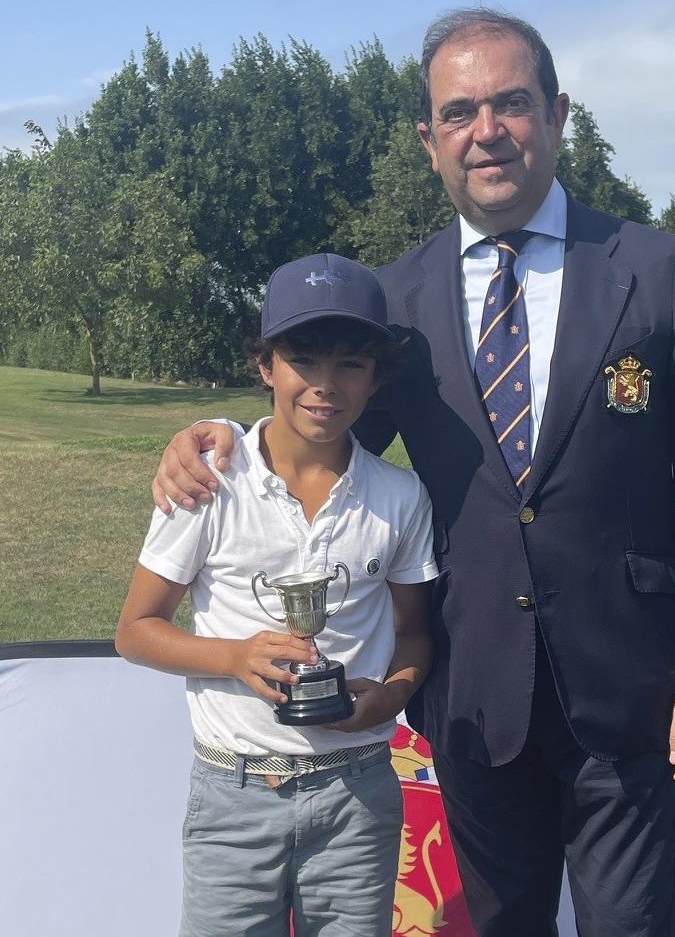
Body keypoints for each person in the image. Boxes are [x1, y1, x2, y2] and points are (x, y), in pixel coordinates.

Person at [151, 8, 675, 935]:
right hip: (475, 698)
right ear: (428, 138)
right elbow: (326, 422)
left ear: (557, 114)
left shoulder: (657, 270)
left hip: (637, 698)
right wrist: (217, 437)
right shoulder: (393, 302)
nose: (488, 131)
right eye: (461, 110)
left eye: (512, 103)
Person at [116, 253, 436, 937]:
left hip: (357, 790)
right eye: (303, 358)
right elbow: (136, 629)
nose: (325, 384)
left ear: (377, 376)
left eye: (351, 362)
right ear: (265, 366)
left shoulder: (401, 496)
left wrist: (391, 694)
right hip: (234, 792)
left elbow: (415, 634)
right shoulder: (207, 481)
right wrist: (235, 657)